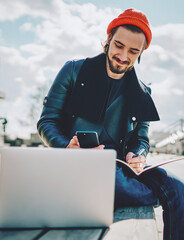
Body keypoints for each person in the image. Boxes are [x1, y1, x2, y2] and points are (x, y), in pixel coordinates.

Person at [37, 8, 184, 240]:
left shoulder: (144, 92)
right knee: (115, 180)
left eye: (133, 51)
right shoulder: (73, 71)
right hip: (80, 165)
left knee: (178, 187)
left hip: (121, 169)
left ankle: (138, 193)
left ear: (142, 52)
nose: (123, 56)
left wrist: (138, 154)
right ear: (108, 40)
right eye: (118, 46)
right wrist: (66, 148)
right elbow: (47, 121)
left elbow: (141, 138)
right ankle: (147, 195)